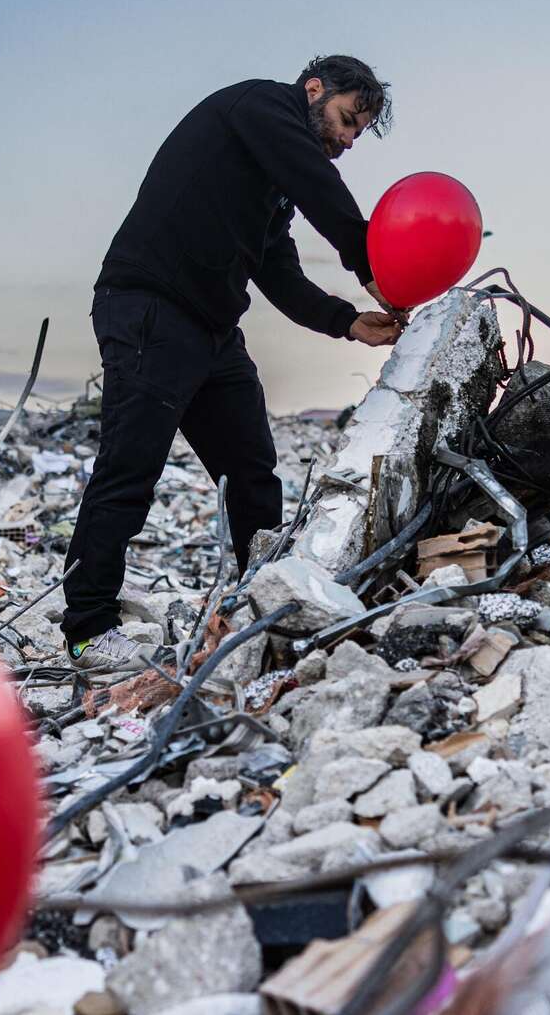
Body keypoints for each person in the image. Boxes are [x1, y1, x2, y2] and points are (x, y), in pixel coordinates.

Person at [63, 55, 406, 669]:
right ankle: (89, 630)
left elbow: (278, 270)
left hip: (213, 331)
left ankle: (261, 608)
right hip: (149, 308)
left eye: (357, 133)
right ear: (313, 88)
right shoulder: (257, 107)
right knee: (130, 470)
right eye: (347, 119)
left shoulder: (272, 187)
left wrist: (348, 321)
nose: (348, 140)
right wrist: (368, 259)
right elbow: (313, 180)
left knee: (253, 473)